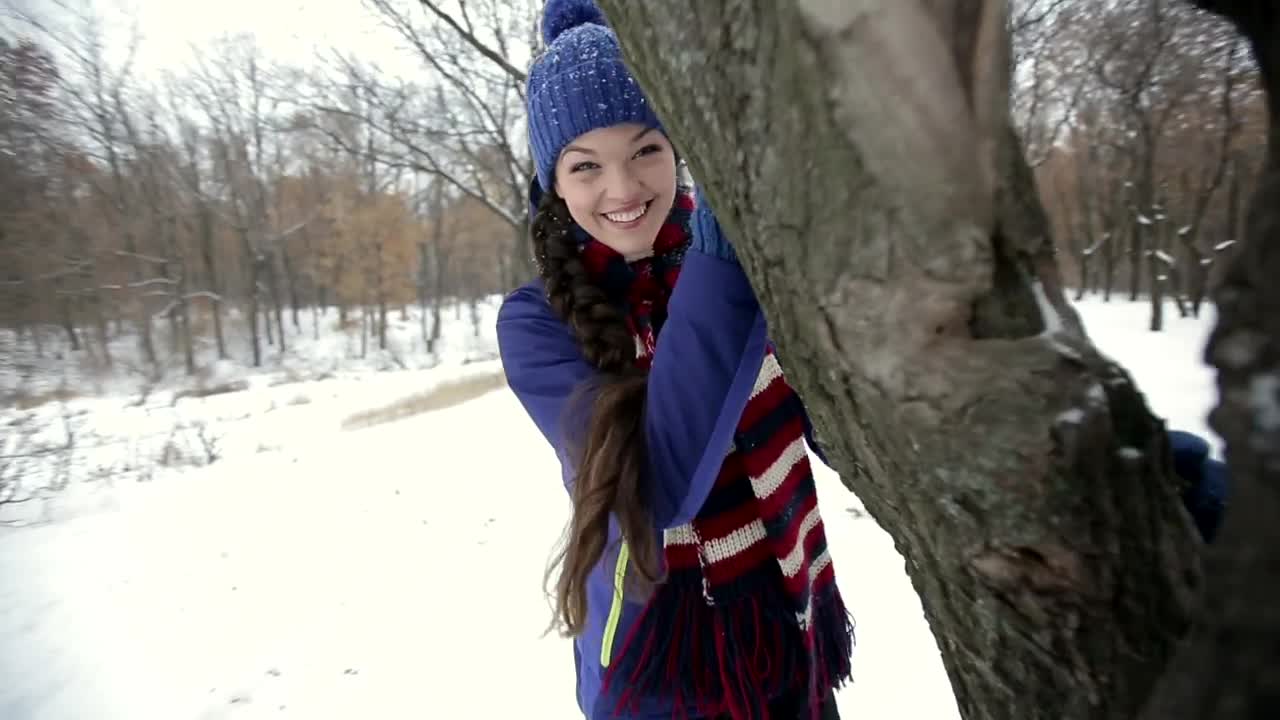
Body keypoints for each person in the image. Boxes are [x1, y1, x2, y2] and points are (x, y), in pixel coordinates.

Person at [497, 1, 851, 718]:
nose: (622, 189)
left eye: (646, 150)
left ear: (681, 147)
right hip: (661, 666)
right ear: (553, 184)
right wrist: (725, 253)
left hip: (791, 624)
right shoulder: (536, 324)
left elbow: (844, 421)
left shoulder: (754, 253)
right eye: (586, 165)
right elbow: (654, 482)